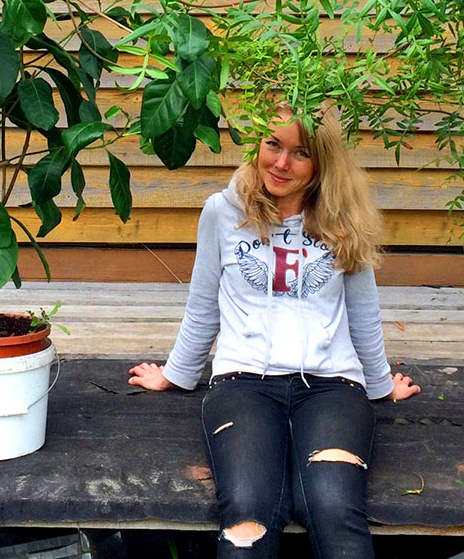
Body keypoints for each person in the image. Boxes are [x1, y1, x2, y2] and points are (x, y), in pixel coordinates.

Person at [128, 109, 420, 558]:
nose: (281, 163)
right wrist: (176, 373)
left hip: (332, 387)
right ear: (256, 147)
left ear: (321, 163)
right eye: (273, 145)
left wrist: (381, 384)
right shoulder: (223, 212)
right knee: (249, 511)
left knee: (332, 505)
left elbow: (363, 313)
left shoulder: (344, 220)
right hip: (242, 384)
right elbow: (204, 303)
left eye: (300, 153)